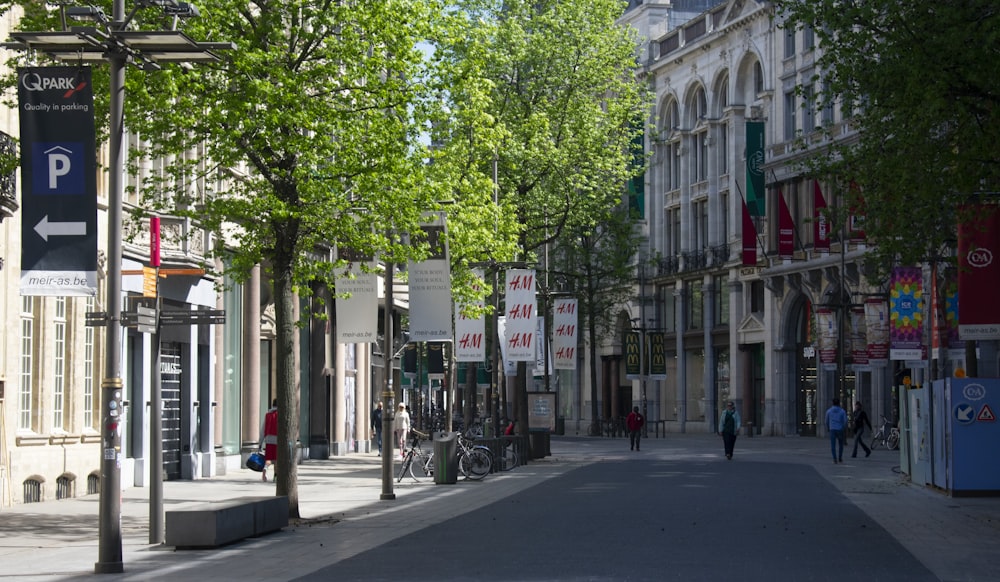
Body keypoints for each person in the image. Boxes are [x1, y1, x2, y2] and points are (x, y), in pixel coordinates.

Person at [259, 399, 278, 482]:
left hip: (269, 439)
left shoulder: (268, 415)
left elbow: (263, 429)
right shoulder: (279, 415)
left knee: (269, 458)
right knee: (277, 459)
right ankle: (276, 476)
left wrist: (260, 442)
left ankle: (265, 469)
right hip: (278, 439)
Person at [825, 398, 848, 463]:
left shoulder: (829, 411)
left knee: (833, 445)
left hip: (832, 429)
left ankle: (834, 458)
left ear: (833, 403)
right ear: (839, 403)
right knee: (840, 444)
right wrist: (843, 427)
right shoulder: (842, 411)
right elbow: (845, 421)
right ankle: (840, 457)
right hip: (840, 429)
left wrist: (828, 427)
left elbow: (826, 420)